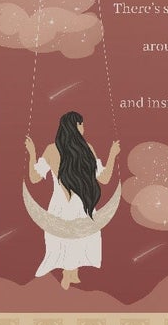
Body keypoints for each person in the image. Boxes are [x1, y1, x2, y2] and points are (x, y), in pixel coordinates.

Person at [24, 110, 121, 290]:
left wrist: (32, 153)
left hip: (60, 206)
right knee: (79, 238)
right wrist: (113, 154)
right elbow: (105, 178)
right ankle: (69, 273)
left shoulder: (52, 149)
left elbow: (34, 178)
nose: (84, 128)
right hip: (82, 205)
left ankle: (70, 273)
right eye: (82, 124)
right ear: (76, 126)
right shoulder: (87, 148)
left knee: (65, 238)